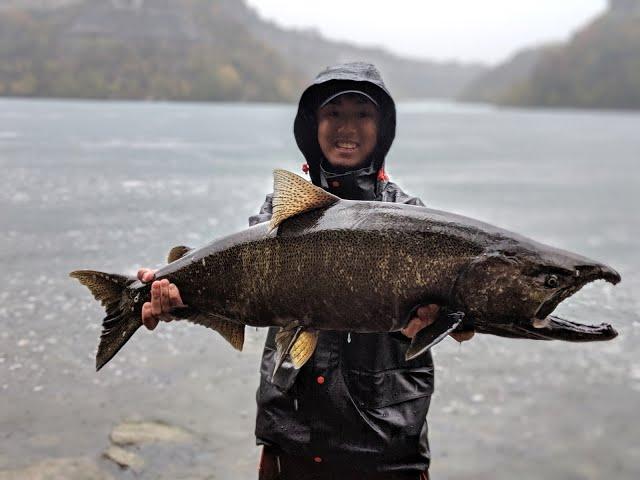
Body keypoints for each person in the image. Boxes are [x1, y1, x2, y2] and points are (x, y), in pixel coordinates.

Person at [138, 62, 473, 479]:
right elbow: (249, 302)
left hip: (386, 452)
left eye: (362, 114)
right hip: (290, 445)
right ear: (312, 125)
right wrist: (176, 301)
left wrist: (441, 325)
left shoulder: (411, 219)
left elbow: (456, 323)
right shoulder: (279, 215)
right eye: (333, 114)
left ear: (382, 127)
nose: (346, 127)